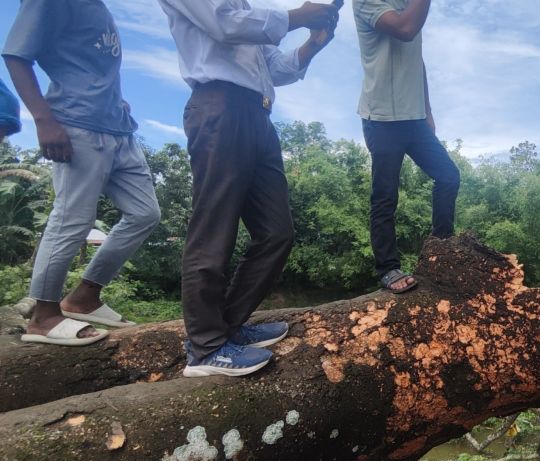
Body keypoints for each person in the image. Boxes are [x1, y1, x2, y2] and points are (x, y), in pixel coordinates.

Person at [157, 0, 342, 377]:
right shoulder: (231, 10)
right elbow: (225, 24)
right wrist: (298, 16)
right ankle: (206, 347)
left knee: (277, 232)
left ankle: (229, 326)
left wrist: (314, 44)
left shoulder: (245, 7)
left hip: (258, 114)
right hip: (220, 107)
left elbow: (278, 68)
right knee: (214, 230)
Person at [4, 0, 161, 346]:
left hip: (119, 129)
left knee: (145, 213)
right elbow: (16, 56)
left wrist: (115, 103)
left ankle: (84, 297)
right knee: (72, 218)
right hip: (76, 126)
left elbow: (94, 69)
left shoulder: (99, 6)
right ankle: (43, 317)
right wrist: (44, 120)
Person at [353, 0, 460, 294]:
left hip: (413, 119)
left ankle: (441, 250)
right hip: (382, 118)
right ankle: (388, 268)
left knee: (449, 176)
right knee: (385, 196)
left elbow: (417, 61)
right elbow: (405, 29)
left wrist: (427, 109)